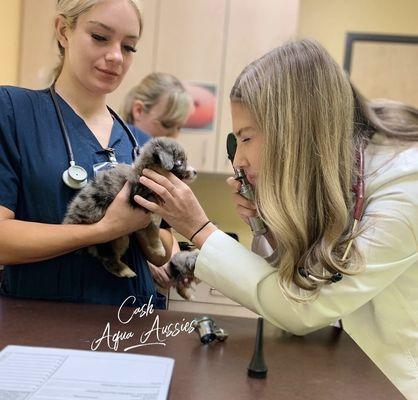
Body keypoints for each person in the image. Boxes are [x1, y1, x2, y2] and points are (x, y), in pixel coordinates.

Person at [133, 39, 418, 398]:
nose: (239, 161)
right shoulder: (343, 166)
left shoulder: (406, 190)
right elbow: (299, 273)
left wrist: (201, 230)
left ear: (293, 130)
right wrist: (265, 223)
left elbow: (301, 307)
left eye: (247, 138)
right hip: (352, 370)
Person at [0, 0, 170, 309]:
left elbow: (163, 249)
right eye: (100, 37)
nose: (116, 56)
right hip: (41, 327)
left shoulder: (141, 143)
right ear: (63, 31)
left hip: (133, 326)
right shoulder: (13, 111)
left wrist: (147, 225)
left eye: (129, 47)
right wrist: (103, 230)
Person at [122, 72, 194, 291]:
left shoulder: (162, 165)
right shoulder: (114, 153)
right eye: (167, 124)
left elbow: (164, 229)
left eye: (179, 127)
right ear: (138, 110)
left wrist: (174, 264)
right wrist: (142, 259)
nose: (173, 136)